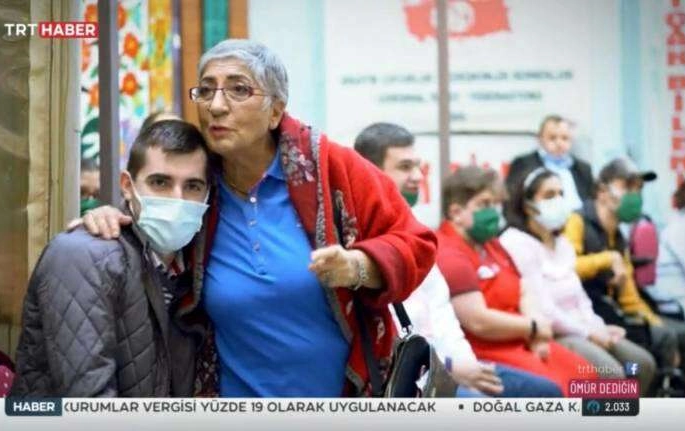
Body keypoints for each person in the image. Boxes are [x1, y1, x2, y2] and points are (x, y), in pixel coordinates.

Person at [75, 39, 436, 397]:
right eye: (206, 90)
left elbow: (416, 243)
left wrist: (358, 266)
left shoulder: (331, 166)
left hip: (344, 403)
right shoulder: (198, 182)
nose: (216, 106)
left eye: (238, 90)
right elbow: (153, 207)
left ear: (275, 111)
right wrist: (111, 215)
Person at [354, 122, 562, 397]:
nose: (417, 176)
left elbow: (443, 315)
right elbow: (392, 335)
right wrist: (451, 367)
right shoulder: (358, 240)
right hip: (411, 376)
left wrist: (466, 366)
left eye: (418, 166)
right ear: (369, 171)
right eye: (405, 167)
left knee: (547, 391)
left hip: (457, 364)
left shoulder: (418, 234)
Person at [11, 120, 210, 396]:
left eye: (193, 186)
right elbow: (90, 403)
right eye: (160, 182)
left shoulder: (194, 268)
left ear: (207, 194)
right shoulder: (81, 256)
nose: (177, 199)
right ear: (127, 186)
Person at [436, 166, 598, 396]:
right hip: (488, 350)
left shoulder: (490, 243)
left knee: (588, 377)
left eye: (495, 203)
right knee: (554, 390)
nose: (493, 211)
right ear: (456, 212)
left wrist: (537, 332)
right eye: (484, 204)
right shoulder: (448, 252)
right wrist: (532, 327)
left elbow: (524, 289)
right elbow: (478, 321)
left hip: (524, 339)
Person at [500, 167, 656, 395]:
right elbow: (544, 309)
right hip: (553, 333)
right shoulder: (517, 242)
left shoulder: (562, 243)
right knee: (612, 374)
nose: (558, 200)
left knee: (642, 364)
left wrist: (597, 325)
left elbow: (579, 297)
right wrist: (588, 333)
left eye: (561, 194)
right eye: (549, 195)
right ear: (527, 205)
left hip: (582, 326)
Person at [564, 158, 685, 395]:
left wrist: (652, 320)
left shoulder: (618, 236)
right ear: (602, 191)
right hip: (582, 310)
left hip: (611, 309)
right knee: (654, 348)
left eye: (638, 189)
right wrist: (607, 259)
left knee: (682, 335)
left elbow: (629, 296)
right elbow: (566, 266)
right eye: (627, 187)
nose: (635, 195)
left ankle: (684, 404)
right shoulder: (577, 221)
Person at [506, 115, 594, 211]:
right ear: (540, 139)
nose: (559, 143)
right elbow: (512, 202)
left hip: (579, 217)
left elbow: (592, 203)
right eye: (552, 138)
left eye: (565, 138)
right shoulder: (523, 164)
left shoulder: (583, 168)